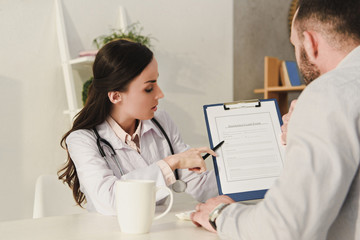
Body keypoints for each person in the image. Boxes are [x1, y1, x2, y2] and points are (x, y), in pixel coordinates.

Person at [191, 0, 360, 239]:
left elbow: (284, 229)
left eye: (294, 44)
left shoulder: (328, 93)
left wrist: (220, 214)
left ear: (310, 43)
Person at [58, 39, 218, 215]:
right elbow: (109, 201)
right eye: (149, 88)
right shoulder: (82, 140)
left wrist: (242, 173)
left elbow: (197, 184)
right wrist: (170, 163)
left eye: (156, 82)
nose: (160, 94)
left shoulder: (161, 122)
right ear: (116, 96)